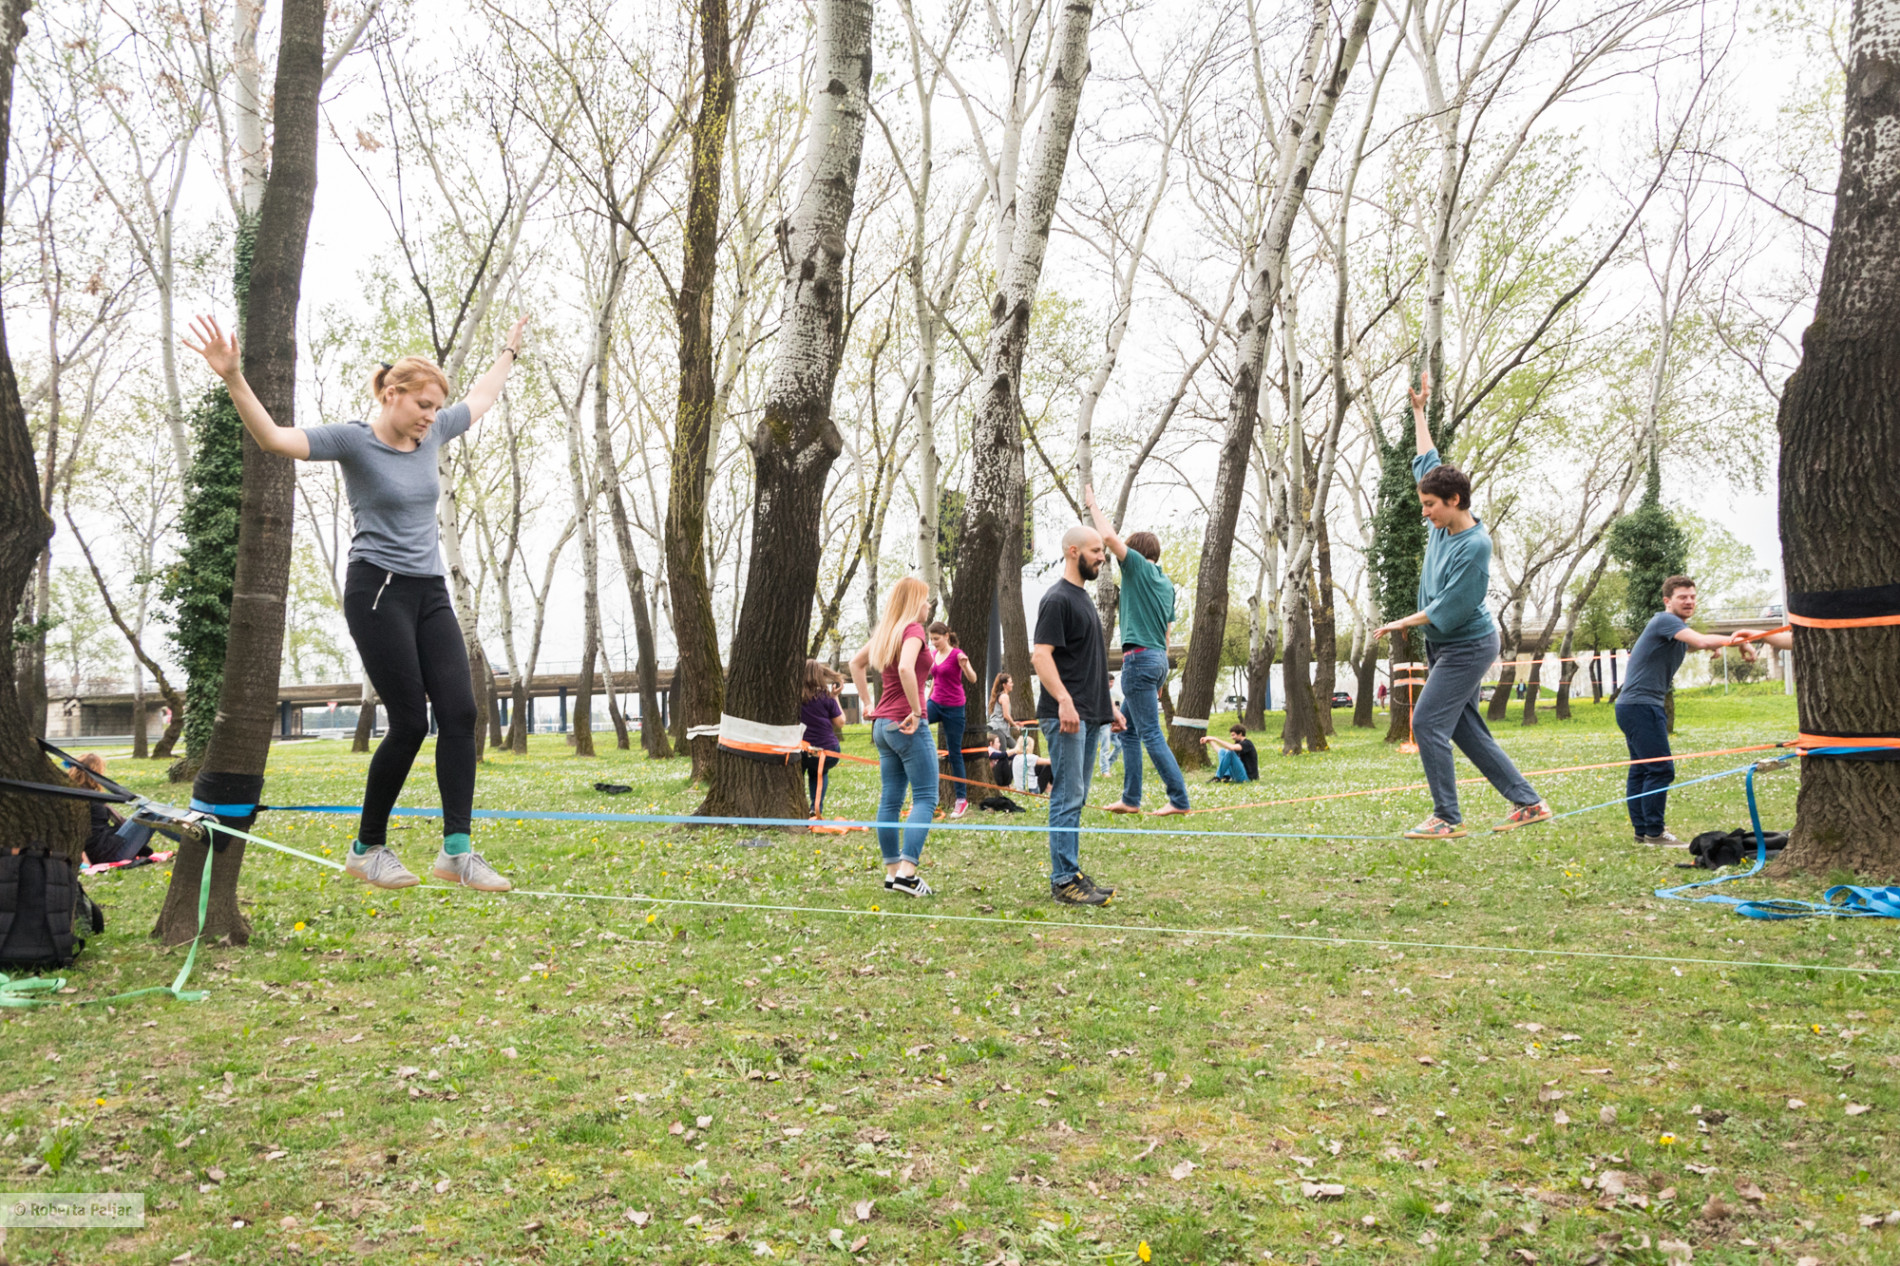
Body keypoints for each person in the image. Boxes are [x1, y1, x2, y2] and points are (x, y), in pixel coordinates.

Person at [183, 313, 526, 892]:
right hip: (378, 589)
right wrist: (233, 377)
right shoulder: (353, 440)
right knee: (410, 720)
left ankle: (457, 852)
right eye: (422, 404)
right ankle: (367, 849)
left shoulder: (433, 433)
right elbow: (274, 439)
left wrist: (508, 354)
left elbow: (482, 398)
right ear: (392, 394)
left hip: (429, 590)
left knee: (461, 713)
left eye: (436, 408)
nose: (431, 416)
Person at [1370, 370, 1552, 839]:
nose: (1424, 511)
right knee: (1465, 729)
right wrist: (1419, 412)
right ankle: (1529, 802)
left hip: (1468, 646)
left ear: (1454, 501)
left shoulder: (1475, 547)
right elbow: (1426, 458)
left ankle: (1446, 817)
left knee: (1428, 721)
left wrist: (1401, 622)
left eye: (1430, 504)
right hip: (1446, 646)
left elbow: (1448, 608)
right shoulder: (1442, 523)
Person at [1032, 525, 1127, 905]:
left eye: (1102, 551)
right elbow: (1041, 656)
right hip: (1065, 715)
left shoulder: (1082, 598)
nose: (1102, 557)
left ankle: (1070, 873)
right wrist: (1064, 701)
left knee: (1076, 796)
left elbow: (1087, 664)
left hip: (1088, 714)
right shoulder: (1057, 599)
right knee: (1067, 796)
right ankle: (1063, 881)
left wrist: (1109, 708)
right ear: (1073, 551)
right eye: (1095, 550)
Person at [1084, 485, 1190, 817]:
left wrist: (1092, 505)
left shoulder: (1138, 568)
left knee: (1150, 734)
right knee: (1128, 730)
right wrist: (1161, 676)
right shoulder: (1166, 584)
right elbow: (1168, 633)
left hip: (1139, 660)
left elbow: (1109, 538)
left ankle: (1179, 800)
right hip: (1157, 660)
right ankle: (1131, 799)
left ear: (1137, 553)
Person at [1617, 577, 1746, 846]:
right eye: (1682, 597)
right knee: (1660, 769)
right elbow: (1699, 641)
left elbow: (1694, 643)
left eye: (1692, 597)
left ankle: (1643, 831)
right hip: (1642, 706)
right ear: (1668, 601)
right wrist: (1739, 641)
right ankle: (1655, 833)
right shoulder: (1665, 621)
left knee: (1642, 770)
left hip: (1634, 705)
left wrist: (1715, 645)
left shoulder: (1672, 629)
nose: (1689, 601)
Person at [849, 577, 937, 896]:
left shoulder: (887, 632)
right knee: (926, 797)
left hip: (882, 727)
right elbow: (905, 669)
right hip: (905, 724)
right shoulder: (913, 630)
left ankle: (891, 874)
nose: (928, 605)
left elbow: (855, 664)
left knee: (890, 800)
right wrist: (916, 711)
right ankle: (907, 874)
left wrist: (867, 703)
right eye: (926, 599)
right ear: (914, 602)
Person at [926, 622, 979, 818]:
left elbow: (973, 678)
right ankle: (924, 793)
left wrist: (965, 666)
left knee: (954, 752)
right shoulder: (934, 655)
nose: (934, 642)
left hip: (954, 708)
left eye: (936, 639)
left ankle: (961, 799)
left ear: (946, 636)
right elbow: (935, 679)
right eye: (931, 639)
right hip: (935, 703)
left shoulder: (958, 654)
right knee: (917, 722)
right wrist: (926, 700)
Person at [799, 660, 845, 819]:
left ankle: (798, 805)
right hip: (826, 750)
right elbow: (841, 722)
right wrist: (835, 697)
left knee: (801, 771)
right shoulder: (826, 698)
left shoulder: (795, 698)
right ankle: (816, 807)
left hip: (801, 749)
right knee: (819, 772)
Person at [987, 673, 1019, 747]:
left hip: (1003, 730)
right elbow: (1006, 715)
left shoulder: (1000, 696)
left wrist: (1013, 722)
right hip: (998, 729)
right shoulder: (1004, 696)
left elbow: (1003, 715)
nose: (1012, 684)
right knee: (1003, 753)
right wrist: (1015, 725)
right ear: (1004, 685)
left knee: (1018, 750)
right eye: (1010, 682)